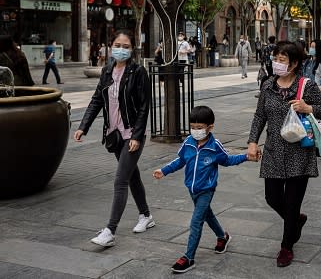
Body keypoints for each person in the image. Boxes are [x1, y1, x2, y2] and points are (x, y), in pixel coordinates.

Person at [247, 41, 321, 268]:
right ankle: (296, 221)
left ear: (294, 64)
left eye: (282, 60)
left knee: (293, 202)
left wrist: (308, 108)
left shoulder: (307, 85)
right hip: (273, 150)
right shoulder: (267, 85)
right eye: (276, 58)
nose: (277, 63)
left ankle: (286, 246)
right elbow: (259, 117)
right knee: (272, 198)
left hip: (299, 152)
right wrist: (252, 142)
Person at [153, 105, 257, 273]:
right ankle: (223, 237)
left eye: (199, 128)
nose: (195, 131)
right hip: (191, 188)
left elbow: (227, 160)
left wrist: (246, 156)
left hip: (206, 190)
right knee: (207, 214)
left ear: (210, 127)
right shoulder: (188, 142)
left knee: (196, 222)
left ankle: (189, 257)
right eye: (193, 127)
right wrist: (163, 170)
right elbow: (180, 160)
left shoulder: (214, 146)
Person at [74, 30, 153, 247]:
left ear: (133, 49)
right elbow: (97, 100)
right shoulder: (107, 70)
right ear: (111, 46)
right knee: (132, 176)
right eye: (117, 44)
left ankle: (110, 230)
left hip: (132, 134)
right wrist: (83, 126)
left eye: (126, 46)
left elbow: (145, 106)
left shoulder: (138, 72)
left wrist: (137, 135)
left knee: (120, 181)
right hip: (114, 135)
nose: (121, 49)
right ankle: (146, 216)